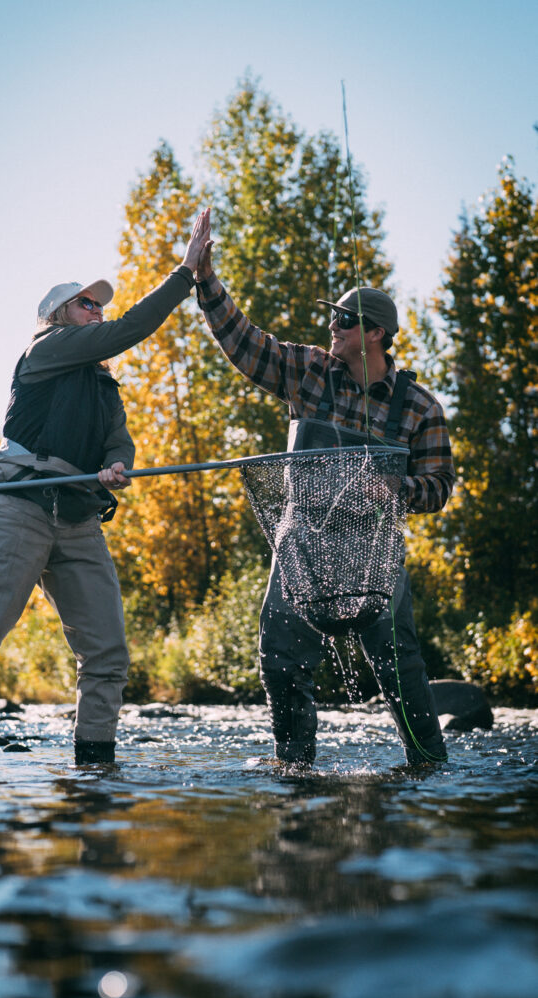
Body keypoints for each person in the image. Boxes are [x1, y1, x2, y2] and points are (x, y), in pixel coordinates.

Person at [0, 210, 212, 772]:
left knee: (108, 655)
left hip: (78, 520)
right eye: (86, 304)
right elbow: (132, 329)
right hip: (17, 510)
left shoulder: (102, 382)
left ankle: (94, 774)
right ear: (56, 318)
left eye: (100, 305)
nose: (99, 311)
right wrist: (185, 272)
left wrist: (117, 468)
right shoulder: (45, 350)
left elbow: (121, 444)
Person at [195, 229, 454, 767]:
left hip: (375, 550)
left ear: (376, 333)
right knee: (280, 656)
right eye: (332, 319)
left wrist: (394, 488)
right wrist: (205, 279)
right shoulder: (307, 370)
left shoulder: (421, 408)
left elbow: (438, 489)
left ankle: (428, 765)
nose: (330, 328)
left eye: (342, 319)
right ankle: (295, 767)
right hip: (302, 541)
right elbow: (243, 341)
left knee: (399, 663)